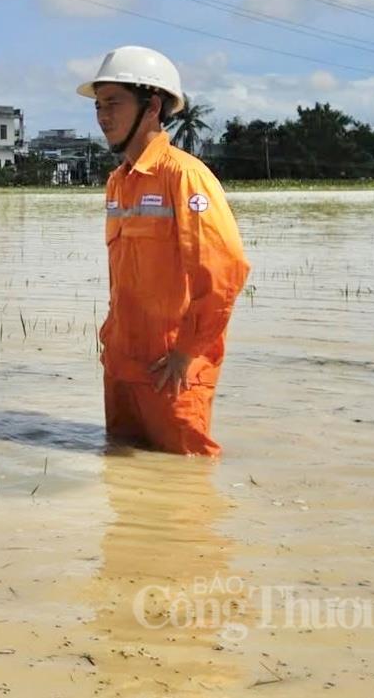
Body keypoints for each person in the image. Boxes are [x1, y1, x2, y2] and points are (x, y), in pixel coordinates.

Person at [77, 46, 249, 456]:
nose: (103, 116)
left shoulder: (185, 177)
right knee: (124, 488)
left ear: (151, 106)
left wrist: (187, 353)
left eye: (114, 103)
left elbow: (225, 273)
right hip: (122, 367)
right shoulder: (118, 182)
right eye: (98, 105)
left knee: (184, 485)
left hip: (170, 372)